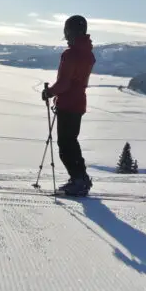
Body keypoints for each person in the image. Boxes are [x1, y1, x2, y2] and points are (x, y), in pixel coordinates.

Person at [42, 15, 96, 196]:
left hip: (68, 103)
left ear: (70, 32)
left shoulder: (71, 54)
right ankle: (80, 178)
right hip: (78, 102)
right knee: (71, 142)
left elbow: (64, 83)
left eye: (66, 31)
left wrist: (49, 92)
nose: (65, 36)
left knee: (65, 145)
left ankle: (79, 181)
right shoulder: (88, 53)